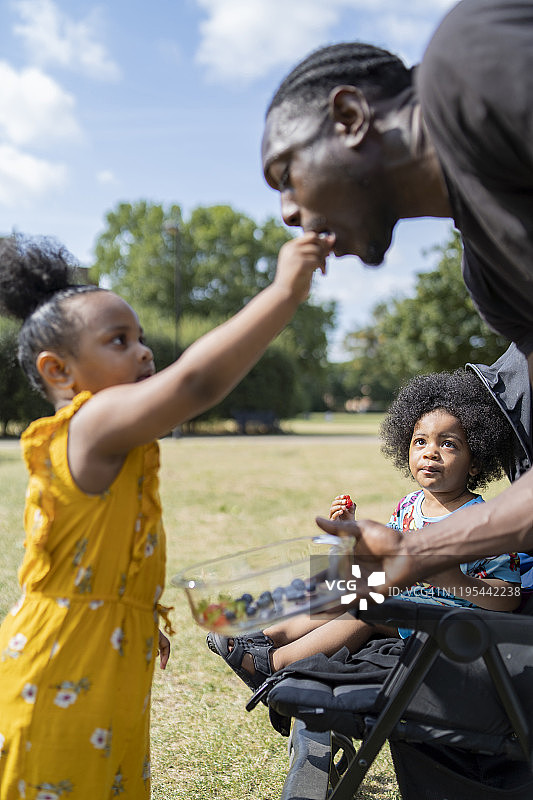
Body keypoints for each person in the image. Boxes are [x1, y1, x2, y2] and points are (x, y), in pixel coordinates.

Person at [0, 230, 332, 798]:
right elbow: (196, 381)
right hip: (61, 670)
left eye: (142, 337)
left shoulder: (115, 443)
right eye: (119, 340)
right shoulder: (90, 425)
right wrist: (284, 292)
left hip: (107, 662)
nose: (145, 351)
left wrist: (137, 614)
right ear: (59, 372)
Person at [260, 0, 533, 594]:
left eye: (286, 173)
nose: (286, 212)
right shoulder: (495, 280)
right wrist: (418, 549)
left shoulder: (474, 63)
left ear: (351, 116)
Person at [206, 370, 521, 691]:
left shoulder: (484, 521)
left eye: (449, 444)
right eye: (420, 441)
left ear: (475, 462)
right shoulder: (408, 507)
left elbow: (509, 597)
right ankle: (268, 638)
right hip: (406, 605)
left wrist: (457, 581)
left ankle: (273, 664)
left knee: (365, 611)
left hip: (452, 626)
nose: (430, 452)